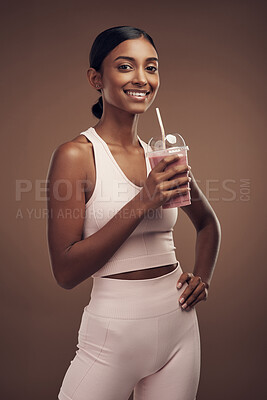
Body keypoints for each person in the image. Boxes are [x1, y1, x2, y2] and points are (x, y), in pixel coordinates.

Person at [46, 26, 221, 400]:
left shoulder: (160, 157)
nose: (142, 79)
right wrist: (144, 200)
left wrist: (202, 279)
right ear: (96, 78)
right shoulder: (77, 155)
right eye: (125, 66)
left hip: (179, 328)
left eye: (151, 67)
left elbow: (207, 224)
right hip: (113, 333)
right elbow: (65, 272)